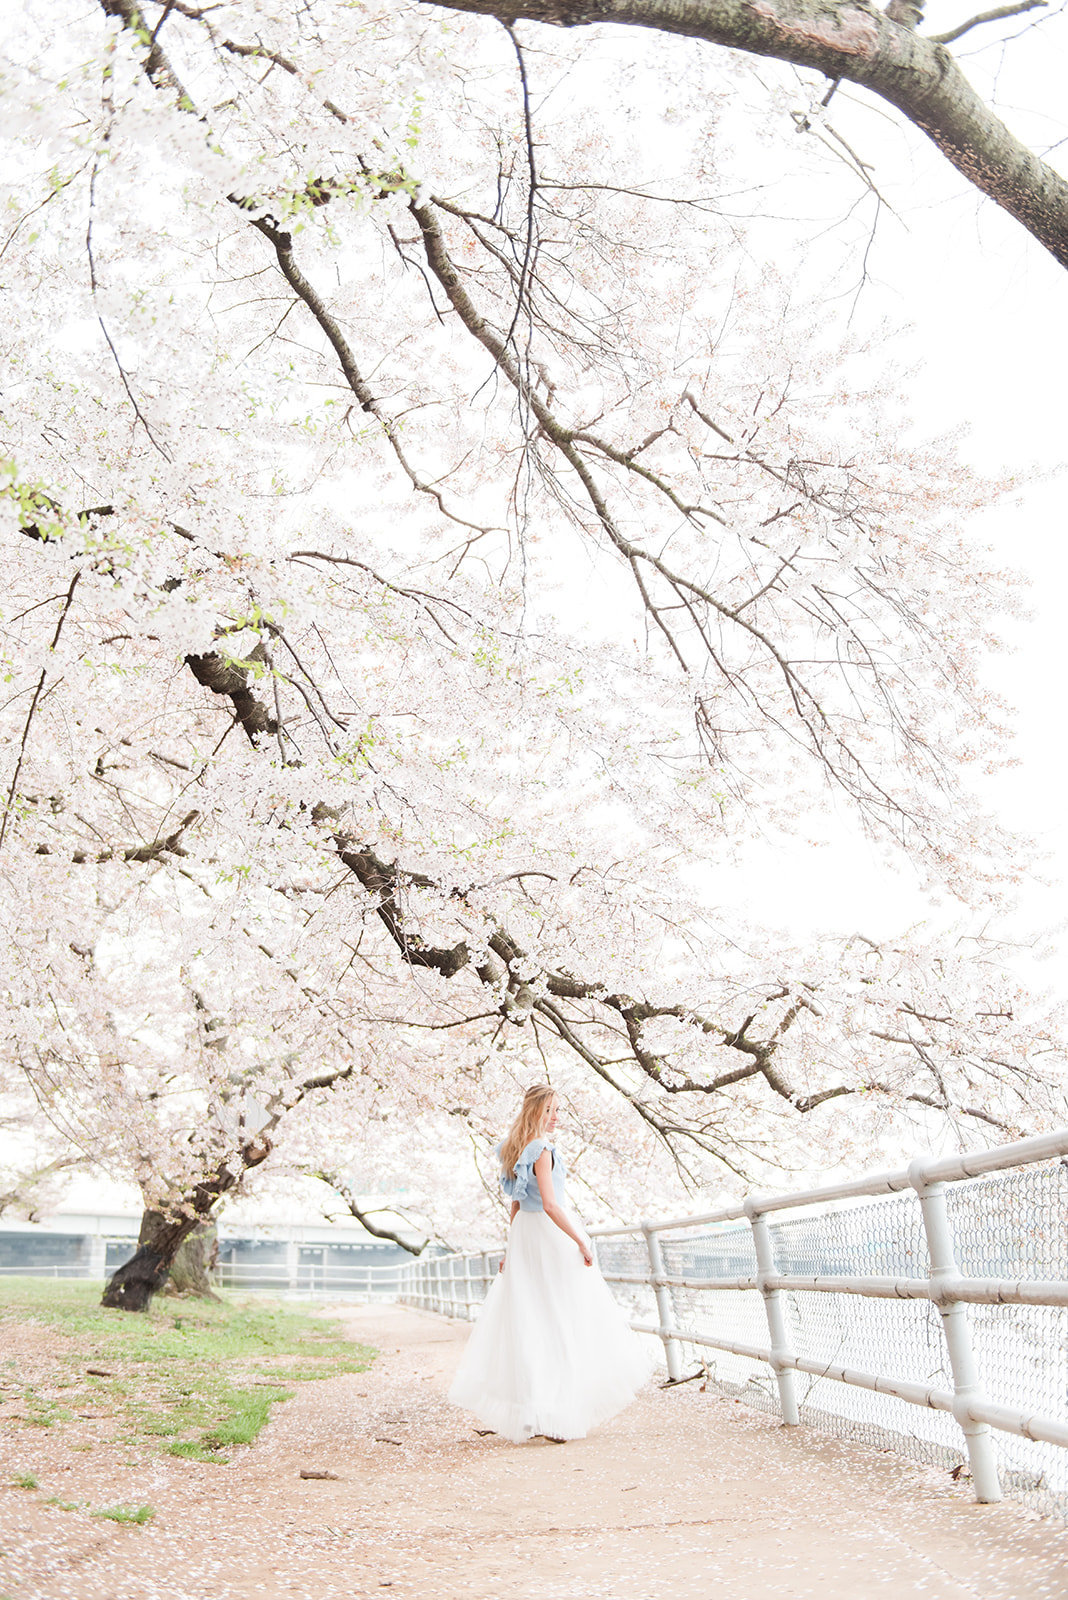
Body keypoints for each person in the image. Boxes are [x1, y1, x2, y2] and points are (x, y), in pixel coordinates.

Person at [448, 1083, 653, 1443]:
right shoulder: (541, 1149)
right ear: (538, 1111)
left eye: (558, 1110)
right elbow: (550, 1203)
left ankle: (537, 1411)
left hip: (525, 1237)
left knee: (531, 1318)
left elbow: (514, 1203)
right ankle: (558, 1413)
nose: (557, 1117)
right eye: (552, 1110)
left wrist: (510, 1249)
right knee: (561, 1316)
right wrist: (580, 1241)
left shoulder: (512, 1149)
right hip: (547, 1235)